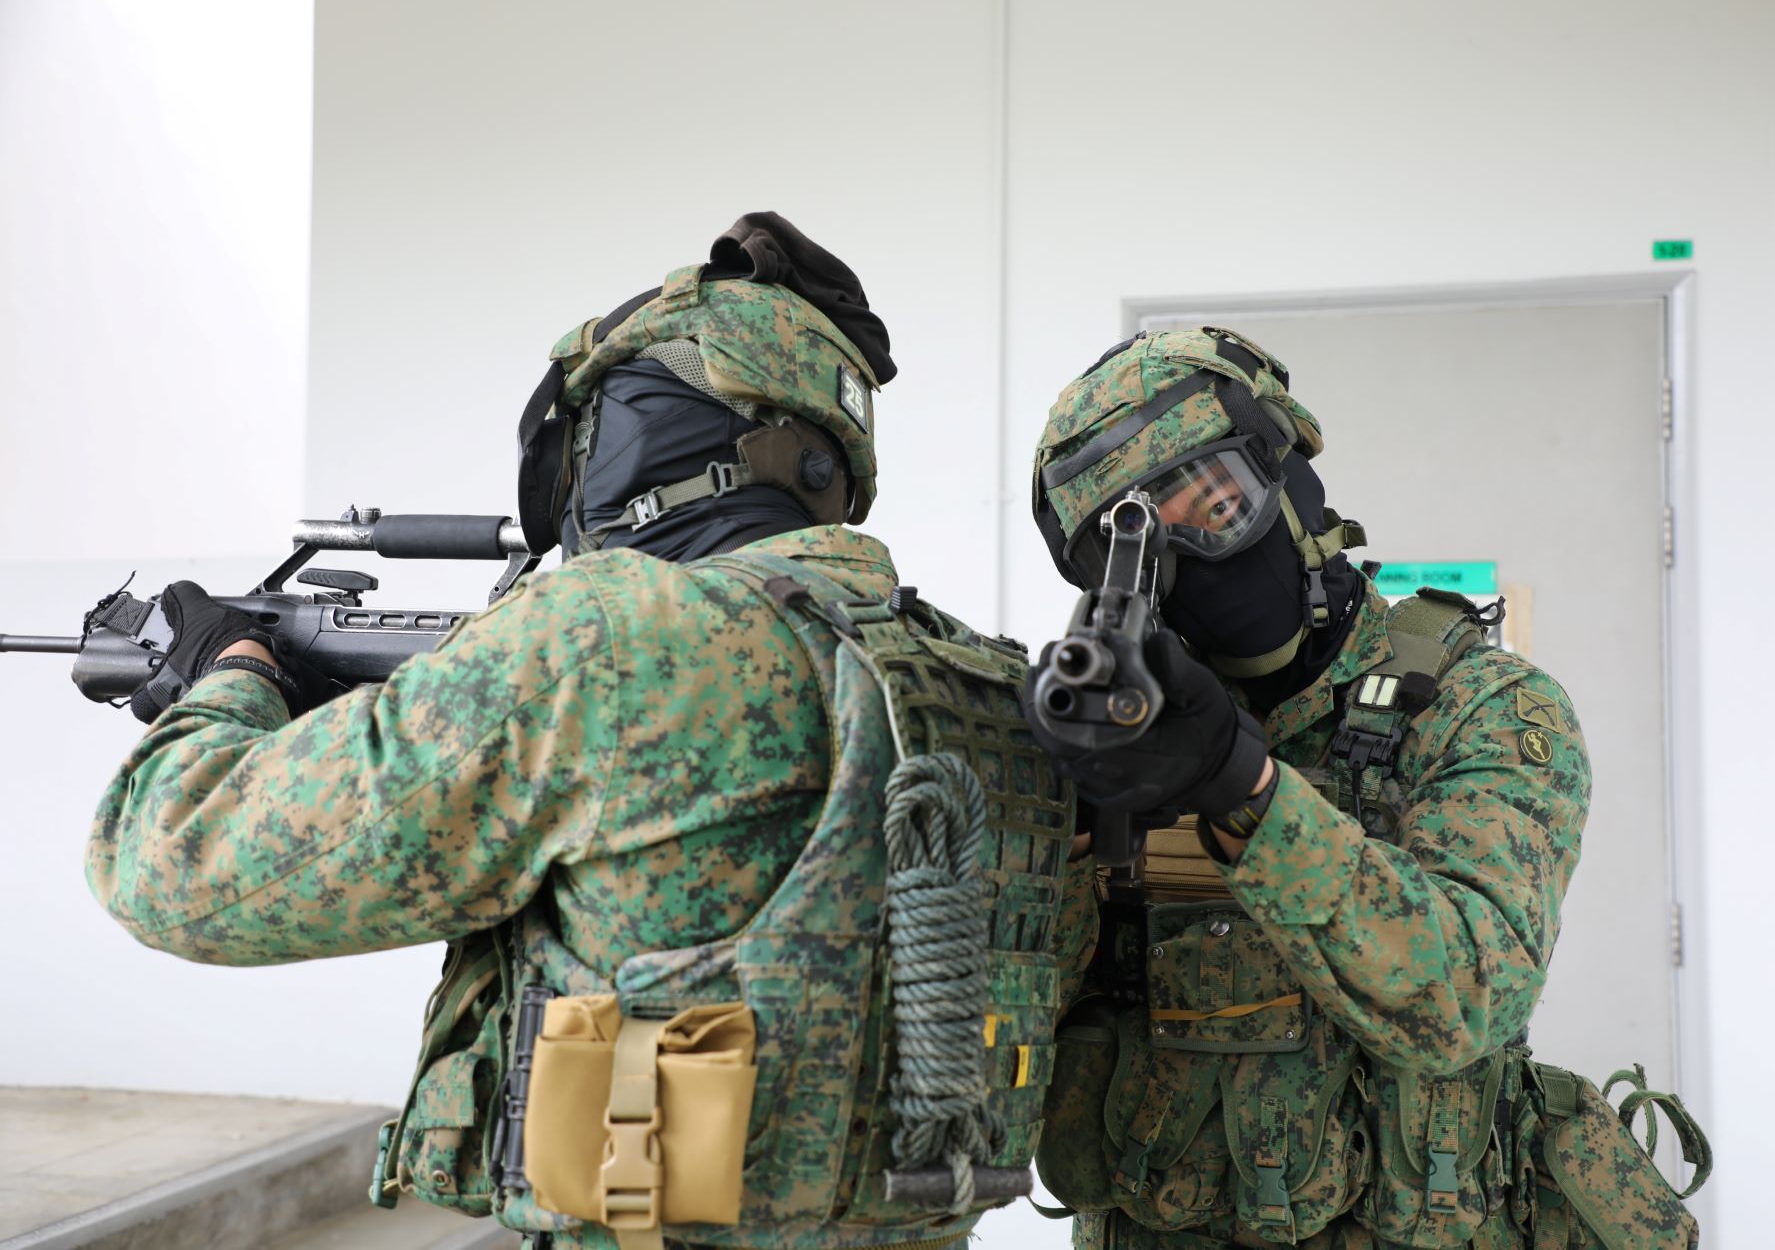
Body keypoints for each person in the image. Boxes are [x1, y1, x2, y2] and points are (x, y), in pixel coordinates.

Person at [85, 214, 1081, 1250]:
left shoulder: (602, 640)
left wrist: (233, 676)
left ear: (634, 442)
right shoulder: (984, 684)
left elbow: (172, 863)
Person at [1025, 329, 1707, 1249]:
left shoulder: (1481, 705)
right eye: (1148, 546)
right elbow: (990, 1039)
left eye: (1218, 504)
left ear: (1293, 481)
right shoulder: (1112, 745)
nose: (1194, 552)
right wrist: (1064, 831)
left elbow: (1470, 991)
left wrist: (1245, 788)